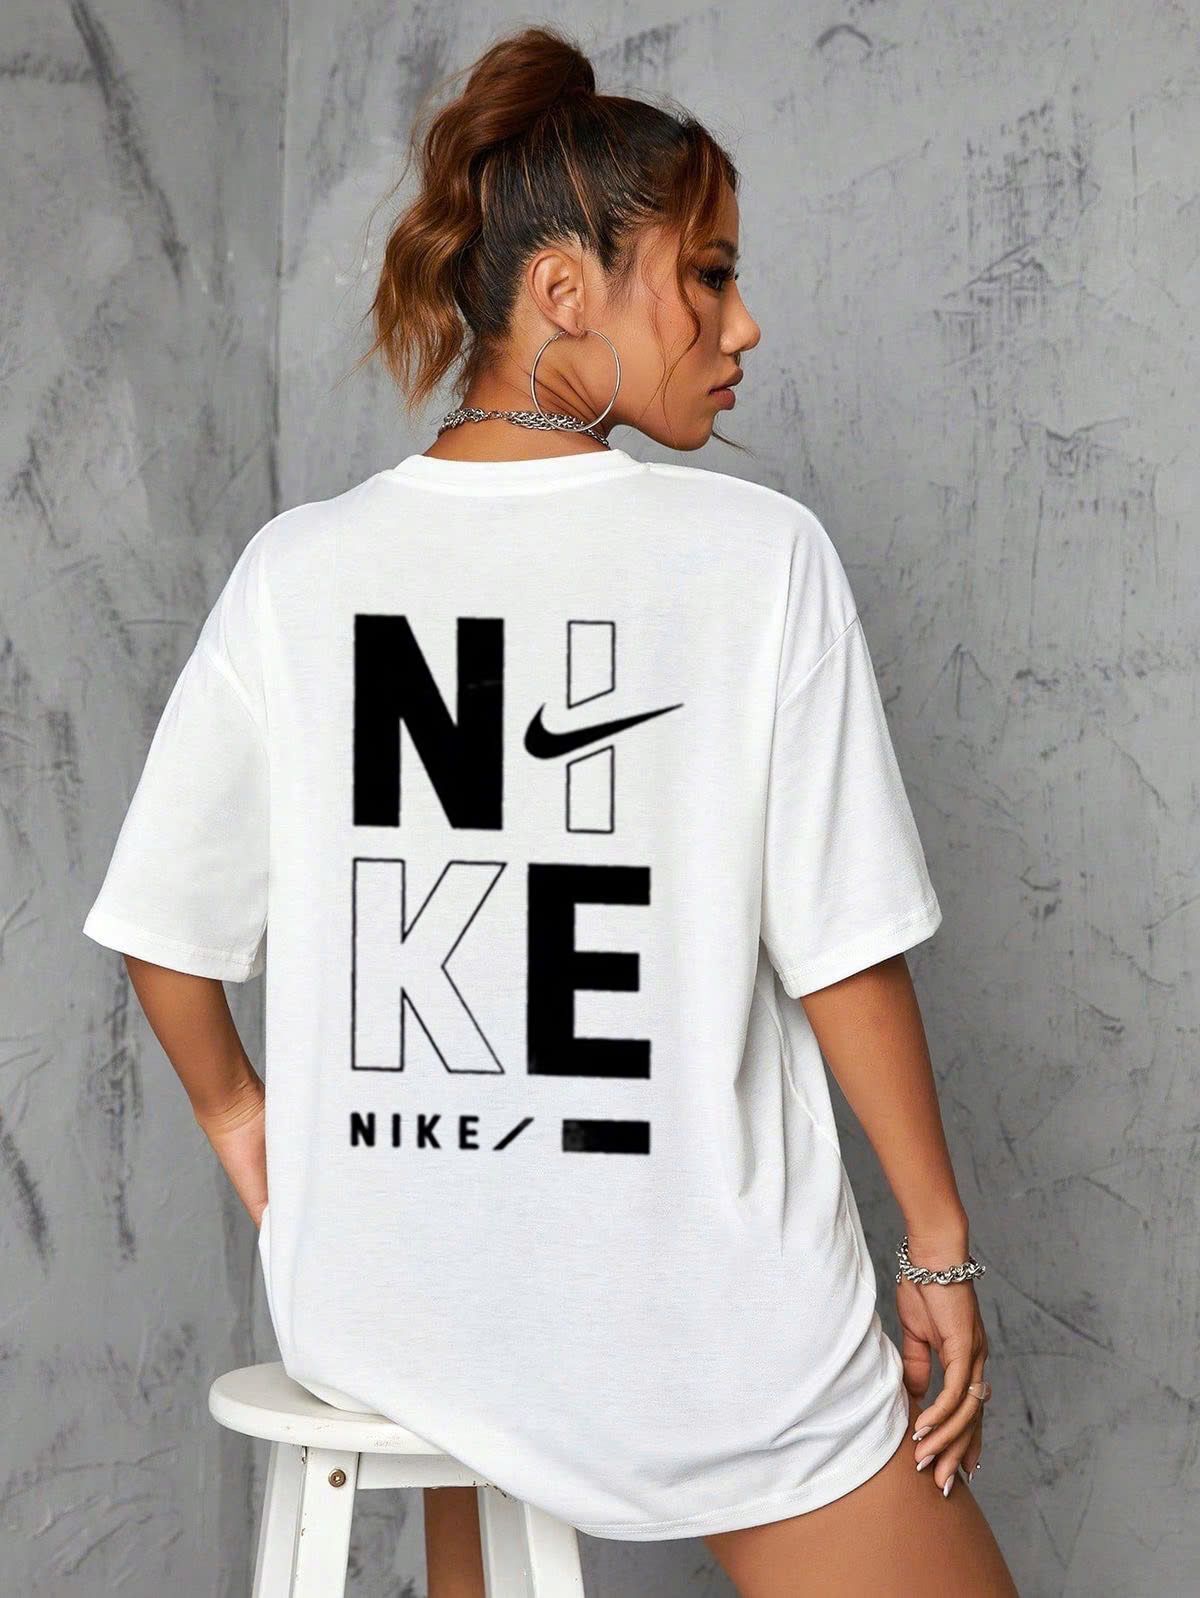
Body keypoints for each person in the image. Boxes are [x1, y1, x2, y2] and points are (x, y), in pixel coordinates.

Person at [81, 23, 1020, 1597]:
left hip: (396, 1317)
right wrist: (937, 1245)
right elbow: (844, 951)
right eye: (707, 275)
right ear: (567, 292)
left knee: (487, 1427)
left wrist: (261, 1139)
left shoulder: (298, 573)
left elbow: (164, 940)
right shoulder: (758, 558)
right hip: (690, 1319)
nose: (744, 322)